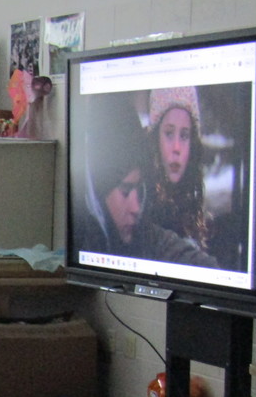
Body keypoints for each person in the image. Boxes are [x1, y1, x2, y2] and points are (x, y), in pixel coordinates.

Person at [72, 93, 218, 267]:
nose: (135, 207)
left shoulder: (145, 234)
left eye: (139, 191)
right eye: (126, 191)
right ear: (96, 193)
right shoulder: (80, 240)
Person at [144, 86, 212, 252]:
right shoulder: (141, 207)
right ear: (155, 139)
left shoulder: (192, 209)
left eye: (184, 136)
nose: (176, 148)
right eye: (168, 133)